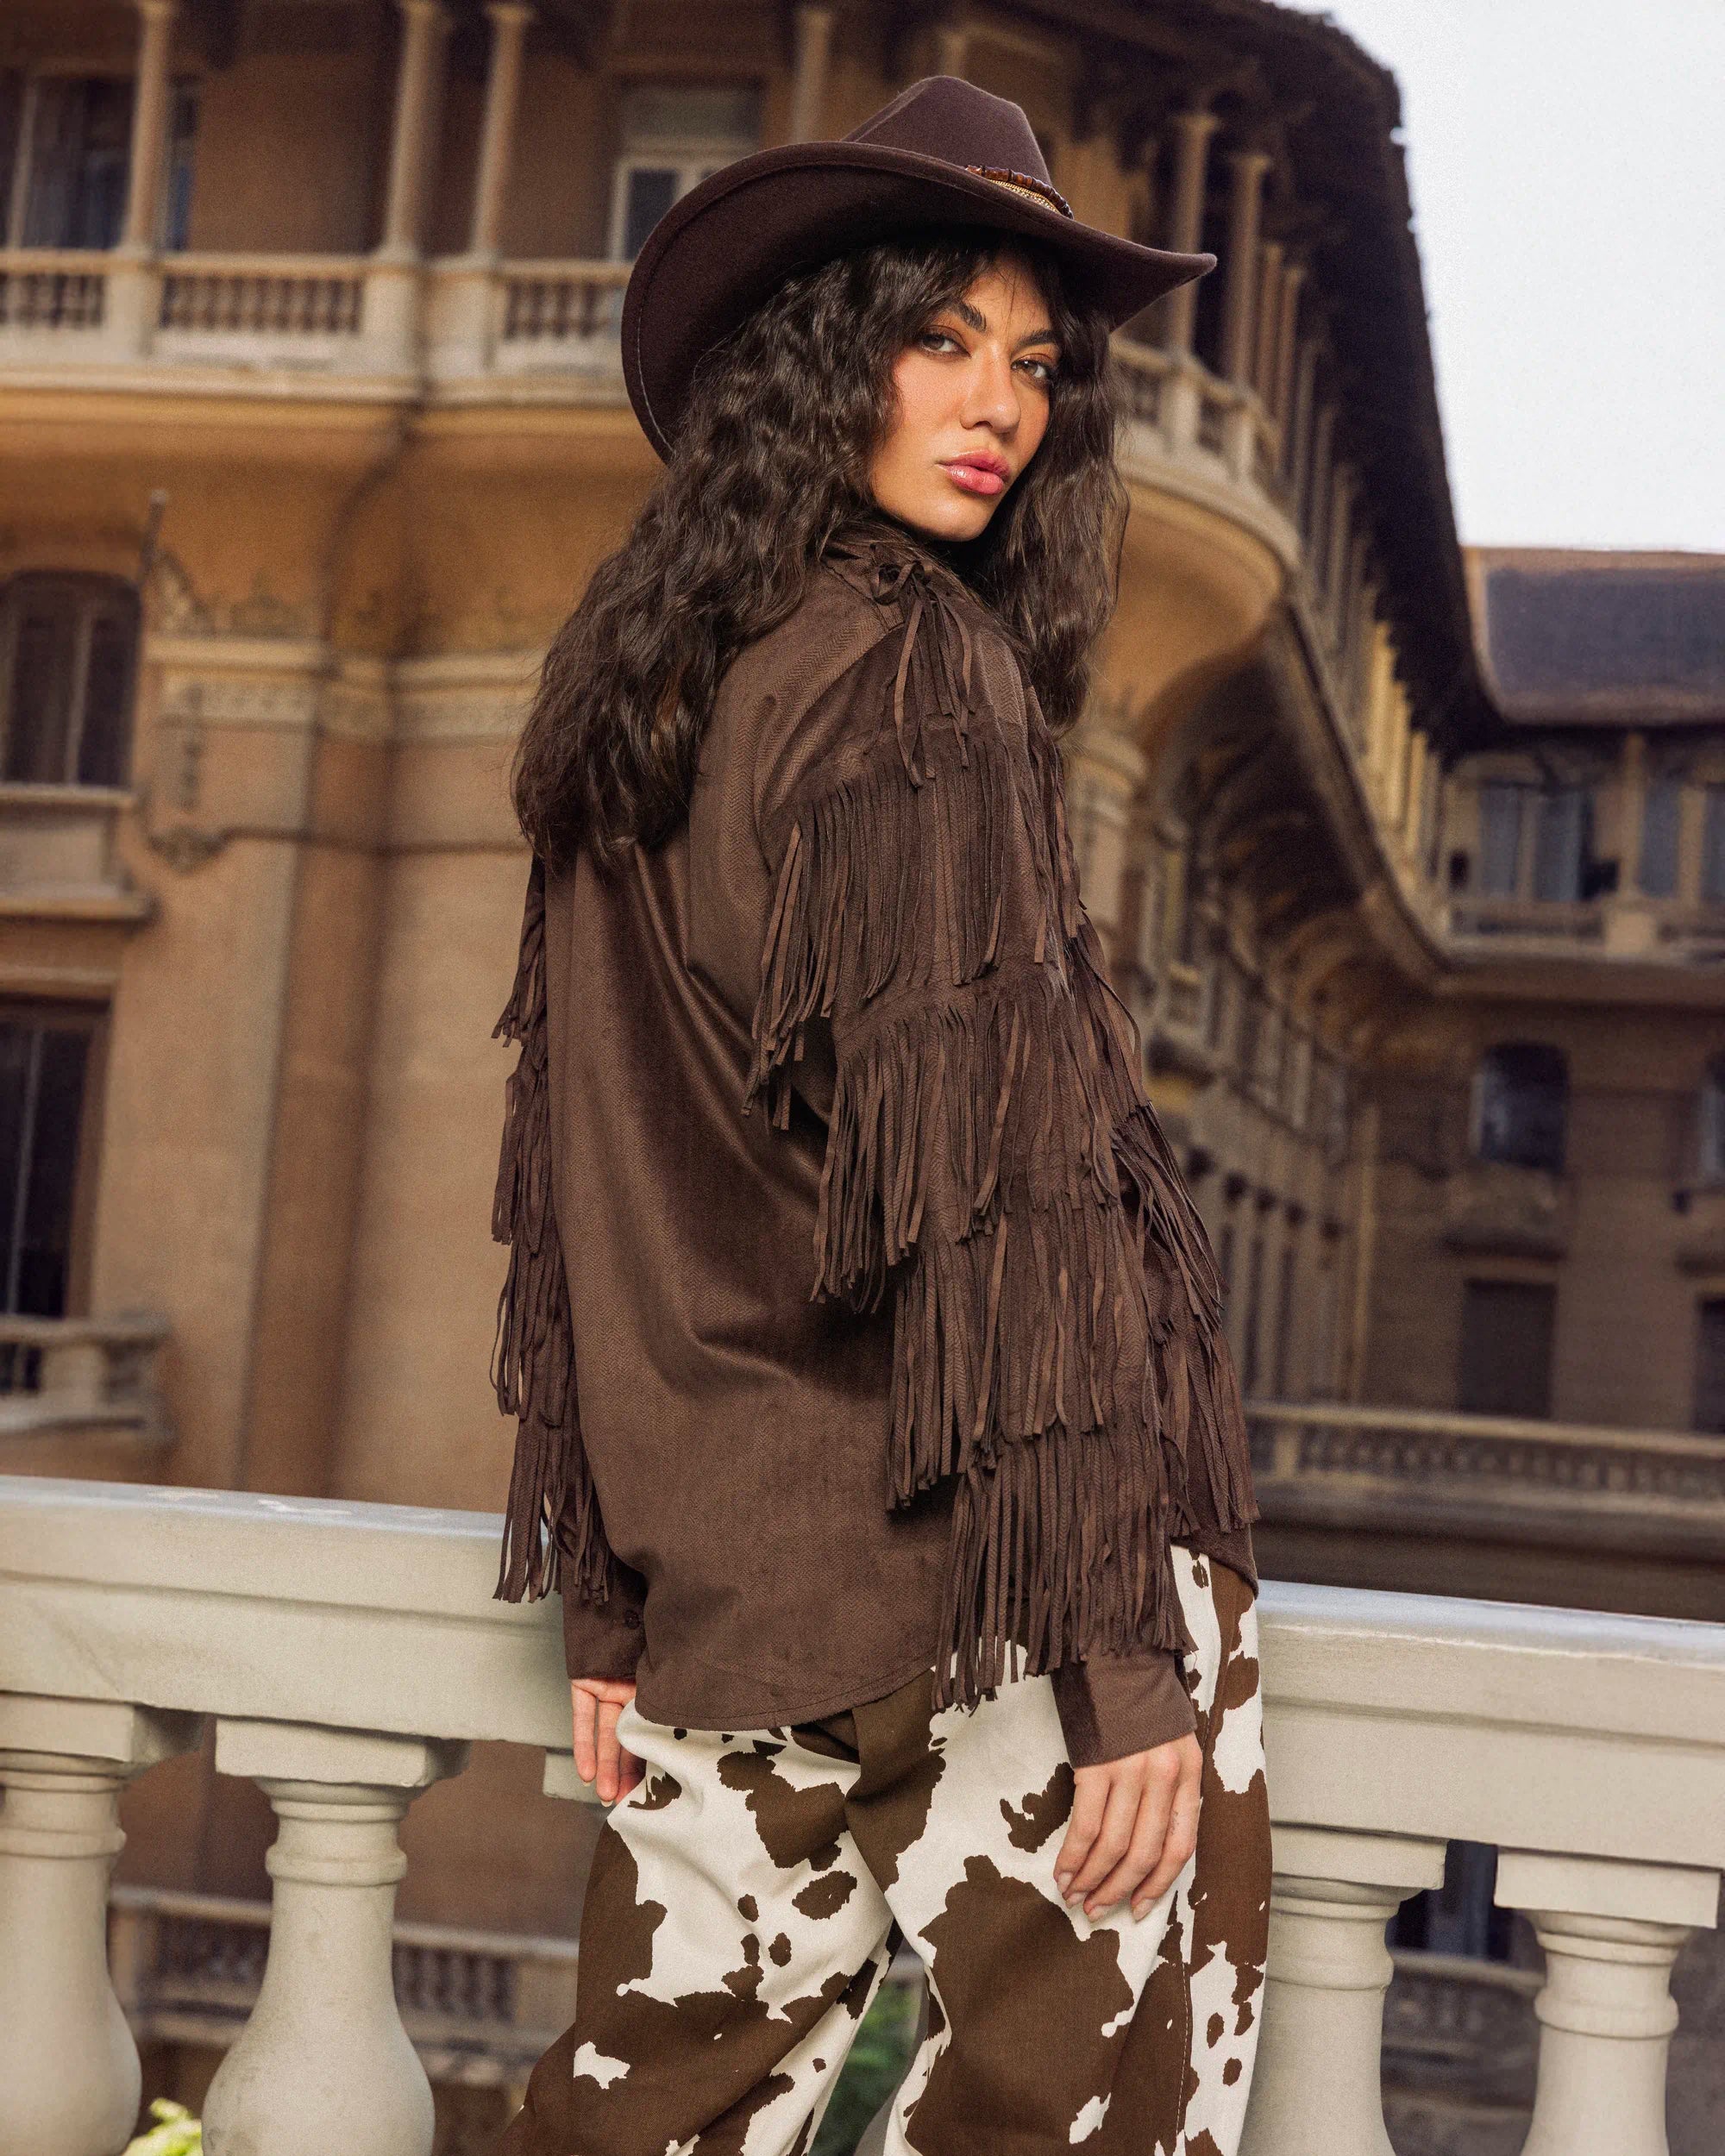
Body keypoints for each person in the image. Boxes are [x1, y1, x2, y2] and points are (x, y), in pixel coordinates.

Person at [487, 76, 1269, 2156]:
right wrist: (1120, 1657)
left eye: (1032, 363)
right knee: (1071, 2115)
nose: (995, 402)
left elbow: (576, 1181)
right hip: (994, 1565)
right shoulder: (919, 677)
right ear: (825, 354)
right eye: (939, 340)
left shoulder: (636, 679)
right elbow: (1008, 1203)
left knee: (640, 2114)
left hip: (728, 1570)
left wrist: (618, 1590)